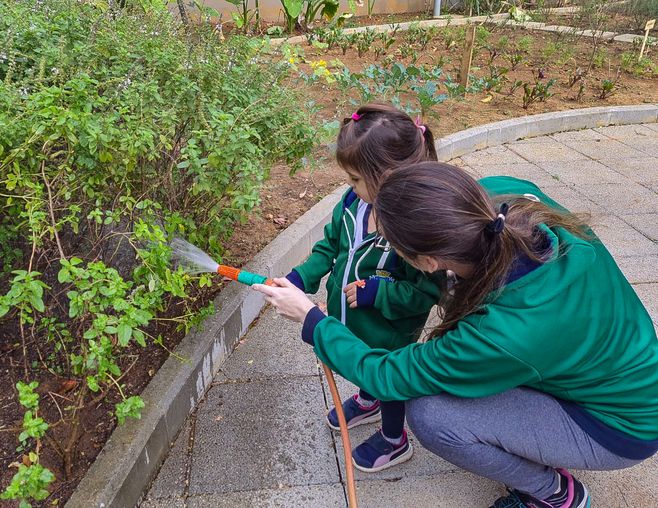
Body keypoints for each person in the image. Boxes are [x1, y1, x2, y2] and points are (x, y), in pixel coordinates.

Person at [255, 162, 658, 508]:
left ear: (427, 261)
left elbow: (386, 376)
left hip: (619, 426)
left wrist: (311, 319)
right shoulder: (509, 199)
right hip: (615, 370)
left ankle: (555, 494)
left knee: (433, 415)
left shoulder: (504, 333)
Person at [283, 103, 441, 472]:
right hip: (352, 317)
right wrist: (301, 277)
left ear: (386, 176)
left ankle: (394, 439)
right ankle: (368, 398)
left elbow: (425, 293)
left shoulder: (412, 228)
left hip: (389, 329)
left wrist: (378, 293)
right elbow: (328, 246)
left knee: (387, 377)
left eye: (354, 178)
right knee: (359, 359)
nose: (348, 187)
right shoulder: (353, 203)